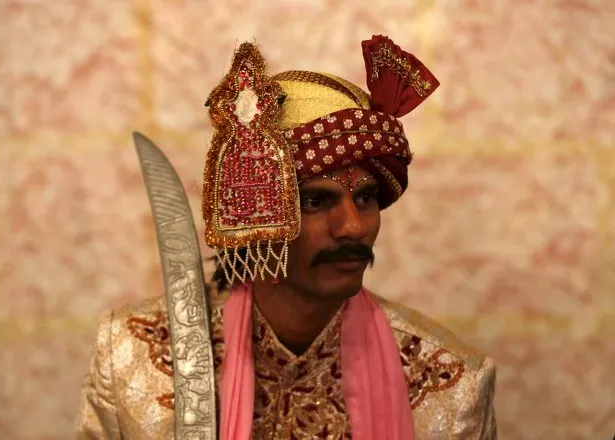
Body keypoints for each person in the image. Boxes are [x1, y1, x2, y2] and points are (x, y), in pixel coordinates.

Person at [76, 35, 497, 439]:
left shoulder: (449, 383)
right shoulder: (133, 357)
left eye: (366, 197)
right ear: (255, 216)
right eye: (316, 202)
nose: (353, 226)